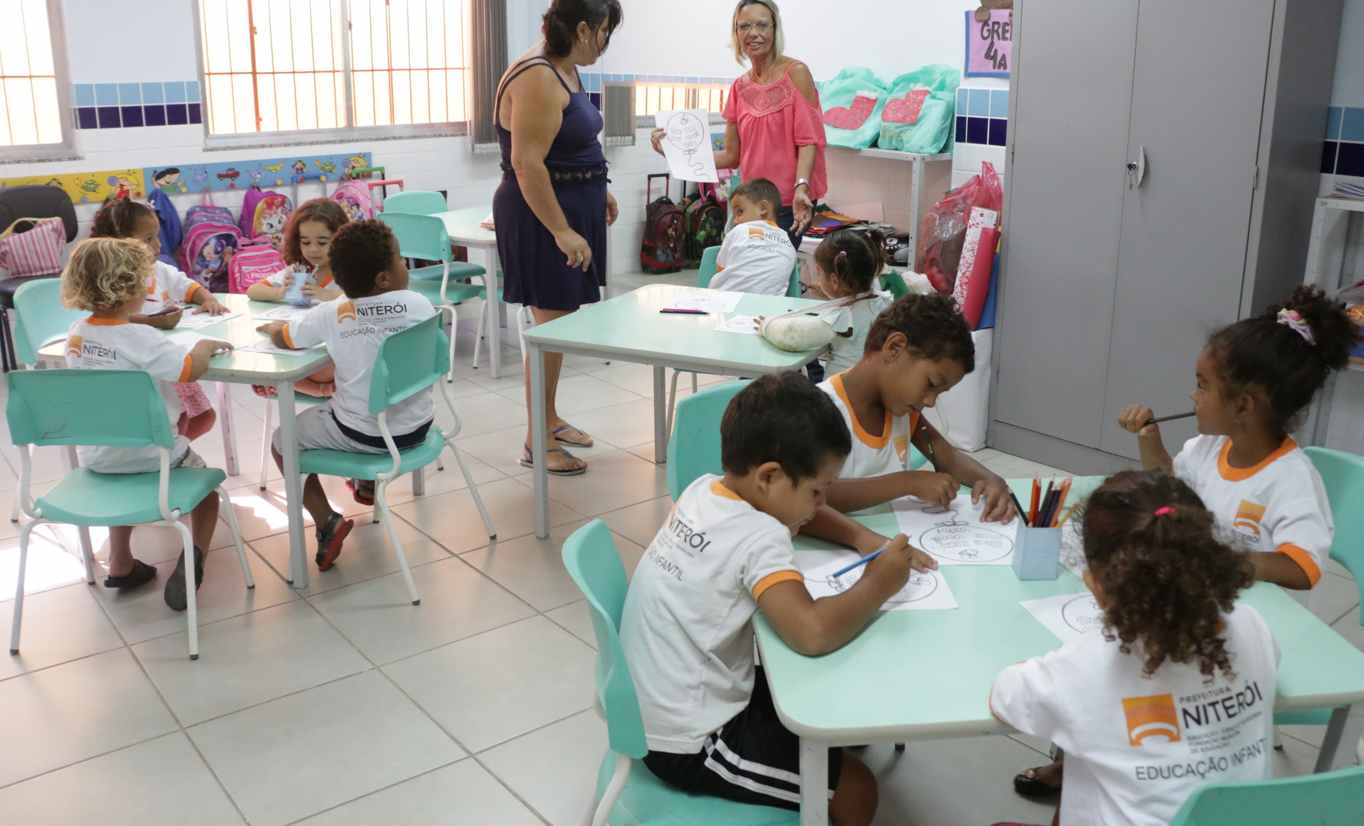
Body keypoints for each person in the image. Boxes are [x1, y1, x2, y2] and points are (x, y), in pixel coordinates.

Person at [1014, 286, 1359, 801]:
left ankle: (1116, 769)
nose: (1192, 397)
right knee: (1103, 652)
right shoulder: (1207, 447)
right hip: (1185, 598)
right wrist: (1152, 445)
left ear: (1244, 404)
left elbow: (1304, 566)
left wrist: (1225, 561)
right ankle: (1081, 757)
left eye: (1202, 386)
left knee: (1124, 670)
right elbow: (1174, 490)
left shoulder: (1291, 478)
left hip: (1239, 625)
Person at [621, 373, 934, 826]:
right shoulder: (759, 535)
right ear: (769, 477)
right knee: (858, 789)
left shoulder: (705, 489)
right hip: (690, 740)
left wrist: (857, 536)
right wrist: (879, 583)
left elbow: (800, 519)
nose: (823, 502)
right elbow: (812, 632)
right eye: (817, 491)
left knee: (818, 707)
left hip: (656, 700)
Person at [991, 471, 1278, 826]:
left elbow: (1004, 699)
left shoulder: (1085, 667)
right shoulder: (1252, 626)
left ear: (1095, 585)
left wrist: (1037, 669)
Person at [61, 238, 232, 610]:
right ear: (133, 287)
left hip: (99, 459)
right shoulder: (141, 336)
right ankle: (193, 558)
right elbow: (188, 368)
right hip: (157, 459)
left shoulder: (75, 334)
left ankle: (121, 561)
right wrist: (205, 345)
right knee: (208, 494)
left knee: (121, 462)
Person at [257, 220, 435, 572]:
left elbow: (286, 339)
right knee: (359, 398)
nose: (405, 265)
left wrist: (274, 330)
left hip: (364, 435)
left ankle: (326, 521)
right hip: (418, 427)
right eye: (400, 259)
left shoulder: (334, 312)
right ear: (384, 278)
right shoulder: (419, 304)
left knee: (283, 441)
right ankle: (366, 486)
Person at [494, 0, 623, 477]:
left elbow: (574, 142)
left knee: (558, 323)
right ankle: (536, 440)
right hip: (541, 216)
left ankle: (547, 418)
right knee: (548, 330)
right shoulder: (538, 77)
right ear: (585, 29)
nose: (607, 43)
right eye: (606, 32)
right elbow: (528, 165)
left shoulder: (564, 69)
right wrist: (562, 230)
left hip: (572, 202)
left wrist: (599, 187)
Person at [818, 294, 1015, 521]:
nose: (930, 401)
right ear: (894, 348)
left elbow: (947, 456)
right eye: (930, 384)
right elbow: (813, 495)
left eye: (939, 394)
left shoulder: (901, 410)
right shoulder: (818, 410)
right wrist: (907, 482)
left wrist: (992, 480)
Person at [653, 0, 827, 247]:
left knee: (770, 273)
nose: (753, 33)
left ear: (775, 30)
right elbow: (732, 156)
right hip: (753, 202)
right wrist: (673, 152)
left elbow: (808, 140)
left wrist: (801, 188)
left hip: (789, 201)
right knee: (753, 277)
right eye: (744, 26)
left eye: (762, 25)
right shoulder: (739, 87)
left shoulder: (796, 73)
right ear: (736, 34)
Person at [90, 198, 228, 441]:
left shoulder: (158, 269)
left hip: (165, 355)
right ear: (119, 243)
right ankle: (168, 454)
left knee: (201, 417)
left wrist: (207, 298)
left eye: (156, 236)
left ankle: (170, 451)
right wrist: (152, 322)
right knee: (179, 417)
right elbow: (108, 322)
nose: (157, 245)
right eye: (148, 239)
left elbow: (187, 286)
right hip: (143, 367)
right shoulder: (108, 281)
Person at [247, 198, 348, 402]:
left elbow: (364, 299)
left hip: (334, 355)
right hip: (302, 344)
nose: (312, 250)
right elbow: (253, 290)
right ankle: (298, 385)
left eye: (322, 242)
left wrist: (326, 295)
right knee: (266, 359)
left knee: (322, 369)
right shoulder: (301, 270)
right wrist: (281, 292)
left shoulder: (347, 272)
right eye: (305, 242)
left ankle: (316, 388)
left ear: (341, 239)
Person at [809, 228, 894, 376]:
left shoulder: (836, 318)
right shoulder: (885, 303)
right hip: (875, 389)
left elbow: (796, 337)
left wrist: (767, 325)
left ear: (834, 281)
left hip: (839, 393)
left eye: (819, 273)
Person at [709, 178, 796, 296]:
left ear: (763, 208)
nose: (735, 221)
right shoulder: (789, 244)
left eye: (740, 211)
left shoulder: (739, 231)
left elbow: (720, 270)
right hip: (768, 310)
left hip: (725, 301)